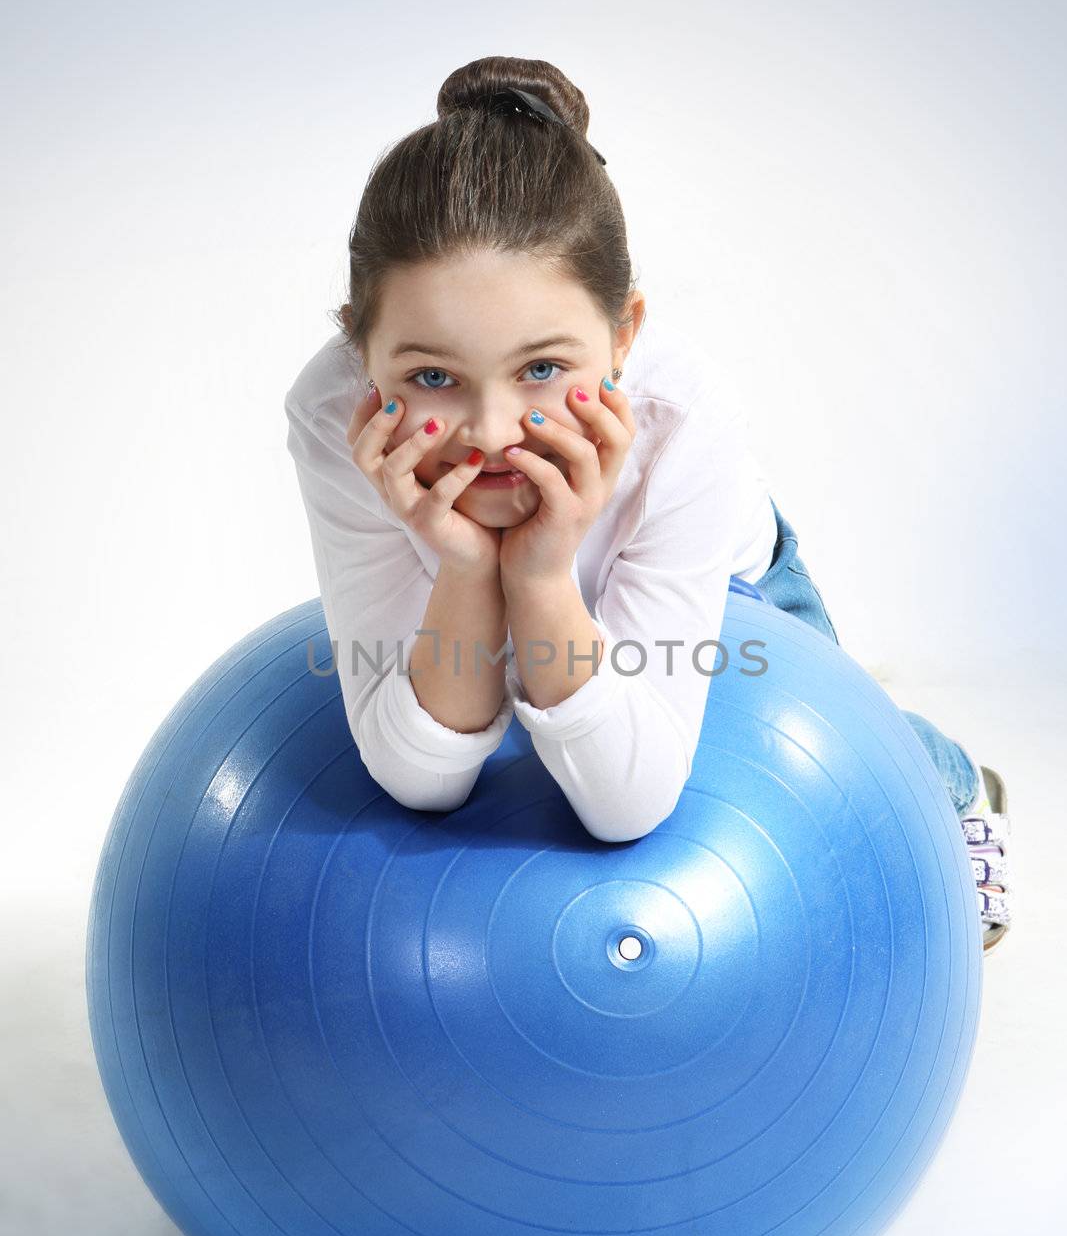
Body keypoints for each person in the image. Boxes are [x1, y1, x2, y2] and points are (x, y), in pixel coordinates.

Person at [283, 54, 1011, 953]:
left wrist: (544, 574)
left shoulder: (681, 417)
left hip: (734, 597)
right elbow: (420, 783)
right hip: (475, 608)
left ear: (623, 335)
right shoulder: (334, 419)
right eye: (432, 375)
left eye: (542, 368)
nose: (494, 430)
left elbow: (627, 807)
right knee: (536, 711)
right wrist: (470, 569)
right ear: (360, 348)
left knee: (842, 747)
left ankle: (950, 777)